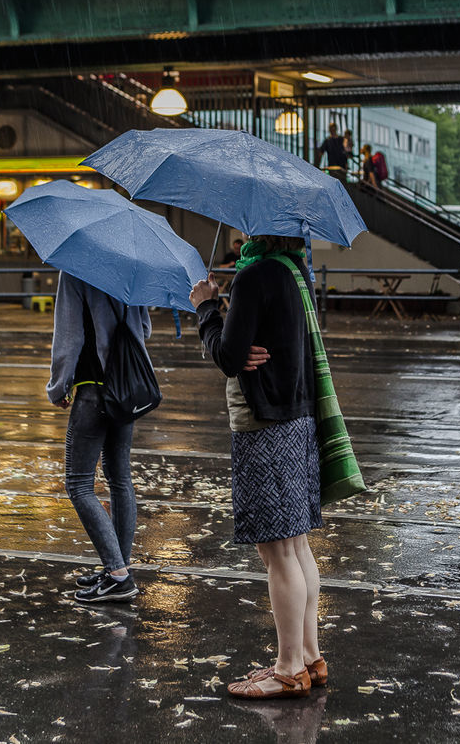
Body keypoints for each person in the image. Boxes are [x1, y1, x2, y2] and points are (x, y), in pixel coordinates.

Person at [191, 235, 326, 700]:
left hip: (264, 424)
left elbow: (229, 358)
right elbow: (248, 346)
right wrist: (236, 333)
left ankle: (288, 669)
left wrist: (208, 308)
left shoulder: (253, 276)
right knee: (297, 546)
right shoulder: (295, 273)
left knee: (279, 553)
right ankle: (309, 656)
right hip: (297, 419)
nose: (239, 237)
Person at [48, 272, 152, 603]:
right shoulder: (130, 269)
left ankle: (118, 575)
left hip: (93, 388)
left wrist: (59, 385)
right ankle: (117, 568)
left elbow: (69, 336)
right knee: (119, 477)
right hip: (127, 386)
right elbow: (145, 329)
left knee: (78, 484)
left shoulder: (75, 268)